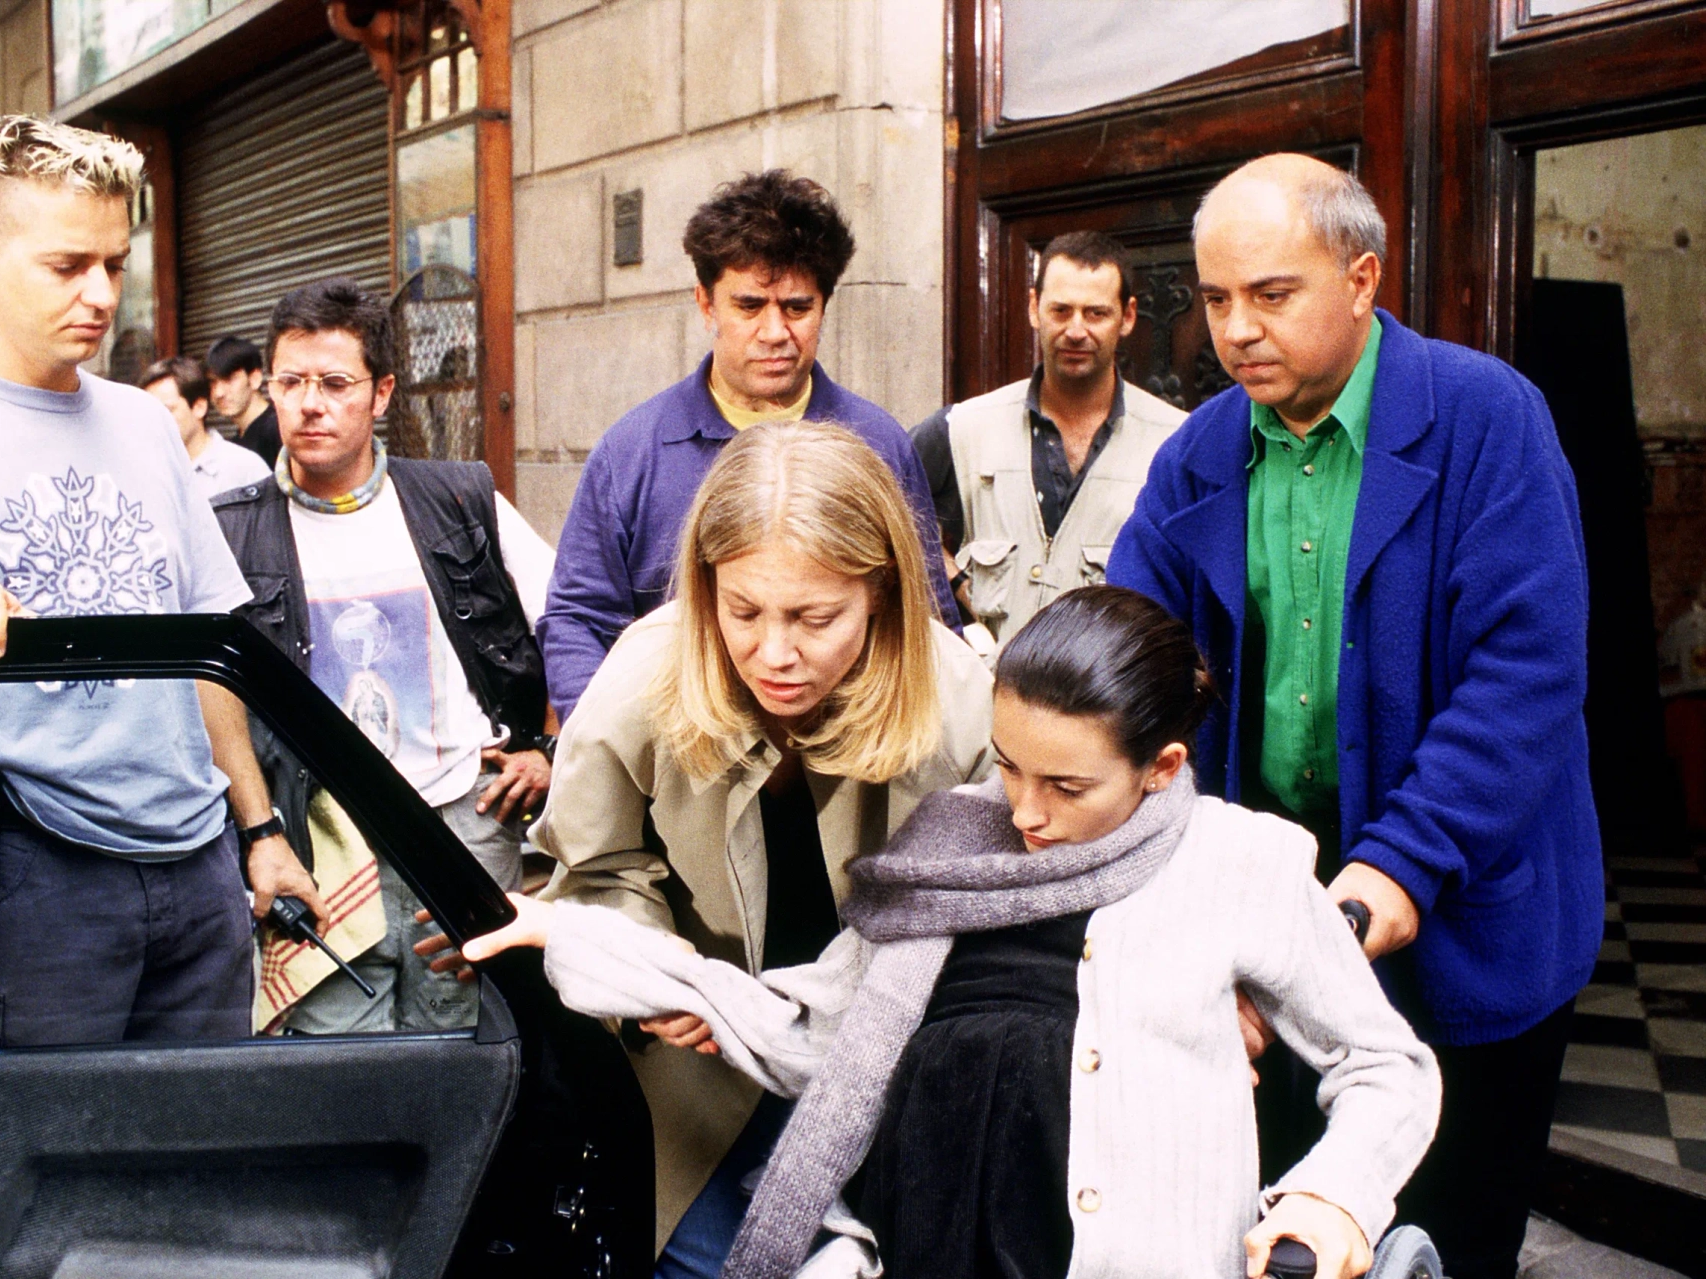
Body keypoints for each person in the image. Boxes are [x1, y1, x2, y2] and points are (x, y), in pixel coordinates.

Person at [454, 586, 1442, 1279]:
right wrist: (589, 945)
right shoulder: (957, 841)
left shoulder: (1244, 865)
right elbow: (816, 1026)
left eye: (1067, 785)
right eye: (1009, 765)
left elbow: (1385, 1067)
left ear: (1162, 765)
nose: (1026, 811)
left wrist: (1335, 1196)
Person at [1108, 153, 1603, 1279]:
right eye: (1216, 299)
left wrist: (1406, 858)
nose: (1236, 331)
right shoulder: (1195, 457)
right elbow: (1125, 685)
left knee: (1453, 1239)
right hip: (1276, 915)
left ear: (1362, 277)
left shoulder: (1489, 421)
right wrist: (1187, 919)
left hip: (1467, 917)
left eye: (1271, 295)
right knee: (1293, 1236)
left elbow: (1524, 676)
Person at [0, 113, 322, 1049]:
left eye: (115, 265)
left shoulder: (147, 423)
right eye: (67, 265)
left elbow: (206, 640)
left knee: (201, 1152)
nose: (101, 293)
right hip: (26, 861)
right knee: (30, 1166)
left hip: (193, 855)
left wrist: (258, 827)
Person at [430, 420, 993, 1276]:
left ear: (880, 590)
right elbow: (593, 870)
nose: (776, 653)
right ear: (704, 585)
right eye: (744, 611)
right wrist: (658, 980)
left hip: (881, 1067)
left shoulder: (959, 698)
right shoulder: (645, 675)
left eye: (815, 616)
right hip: (693, 1082)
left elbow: (1023, 889)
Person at [215, 277, 555, 1034]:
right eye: (291, 382)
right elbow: (214, 699)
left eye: (336, 383)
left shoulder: (457, 499)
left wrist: (546, 747)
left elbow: (564, 616)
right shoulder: (235, 531)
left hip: (457, 822)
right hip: (323, 835)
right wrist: (258, 828)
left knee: (463, 1035)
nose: (311, 403)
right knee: (334, 1046)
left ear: (382, 392)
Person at [538, 170, 960, 719]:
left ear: (824, 306)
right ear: (706, 303)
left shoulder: (878, 445)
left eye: (796, 307)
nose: (774, 332)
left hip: (846, 763)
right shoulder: (632, 453)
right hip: (681, 765)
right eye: (749, 305)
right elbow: (579, 619)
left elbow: (926, 617)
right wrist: (609, 750)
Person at [911, 231, 1186, 649]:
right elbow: (883, 513)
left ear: (1127, 317)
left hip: (1110, 706)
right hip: (985, 701)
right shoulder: (963, 428)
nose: (1076, 331)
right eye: (1061, 310)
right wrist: (953, 585)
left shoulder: (1178, 442)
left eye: (1096, 314)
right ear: (1033, 308)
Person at [137, 354, 271, 500]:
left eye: (167, 410)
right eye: (149, 412)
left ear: (199, 407)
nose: (156, 421)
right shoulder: (146, 473)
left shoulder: (244, 468)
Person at [208, 334, 282, 466]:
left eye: (229, 379)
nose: (218, 393)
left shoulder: (278, 430)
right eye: (212, 382)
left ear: (254, 379)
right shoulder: (236, 442)